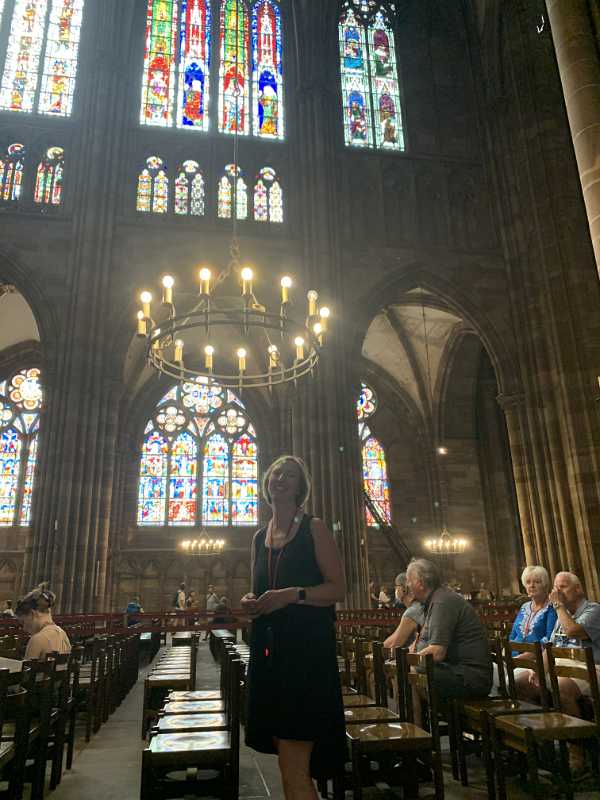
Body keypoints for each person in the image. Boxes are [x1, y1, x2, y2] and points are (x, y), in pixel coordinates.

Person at [242, 455, 347, 795]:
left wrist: (293, 595)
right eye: (275, 473)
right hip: (269, 655)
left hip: (305, 656)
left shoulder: (314, 528)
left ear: (301, 487)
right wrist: (251, 601)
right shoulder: (259, 538)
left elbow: (337, 589)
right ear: (266, 483)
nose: (280, 478)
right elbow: (258, 589)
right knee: (286, 754)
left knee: (294, 758)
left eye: (289, 475)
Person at [516, 571, 600, 772]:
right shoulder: (562, 615)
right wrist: (539, 669)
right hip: (562, 667)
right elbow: (551, 646)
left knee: (560, 686)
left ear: (578, 589)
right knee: (521, 683)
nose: (557, 592)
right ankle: (542, 749)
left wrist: (558, 606)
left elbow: (573, 631)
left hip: (589, 667)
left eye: (562, 587)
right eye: (556, 587)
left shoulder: (593, 609)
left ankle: (576, 752)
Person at [407, 558, 492, 700]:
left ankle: (418, 716)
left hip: (469, 676)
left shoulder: (442, 601)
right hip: (453, 669)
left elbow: (437, 652)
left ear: (420, 583)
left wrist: (406, 660)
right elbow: (424, 642)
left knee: (406, 673)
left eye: (409, 581)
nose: (408, 585)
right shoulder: (434, 600)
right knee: (399, 670)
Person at [16, 583, 71, 659]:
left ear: (32, 614)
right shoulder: (63, 635)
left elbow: (28, 666)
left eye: (23, 622)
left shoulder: (37, 639)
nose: (24, 628)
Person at [384, 572, 424, 650]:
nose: (395, 590)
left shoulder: (413, 611)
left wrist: (376, 650)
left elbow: (394, 643)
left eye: (396, 586)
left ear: (404, 589)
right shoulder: (418, 606)